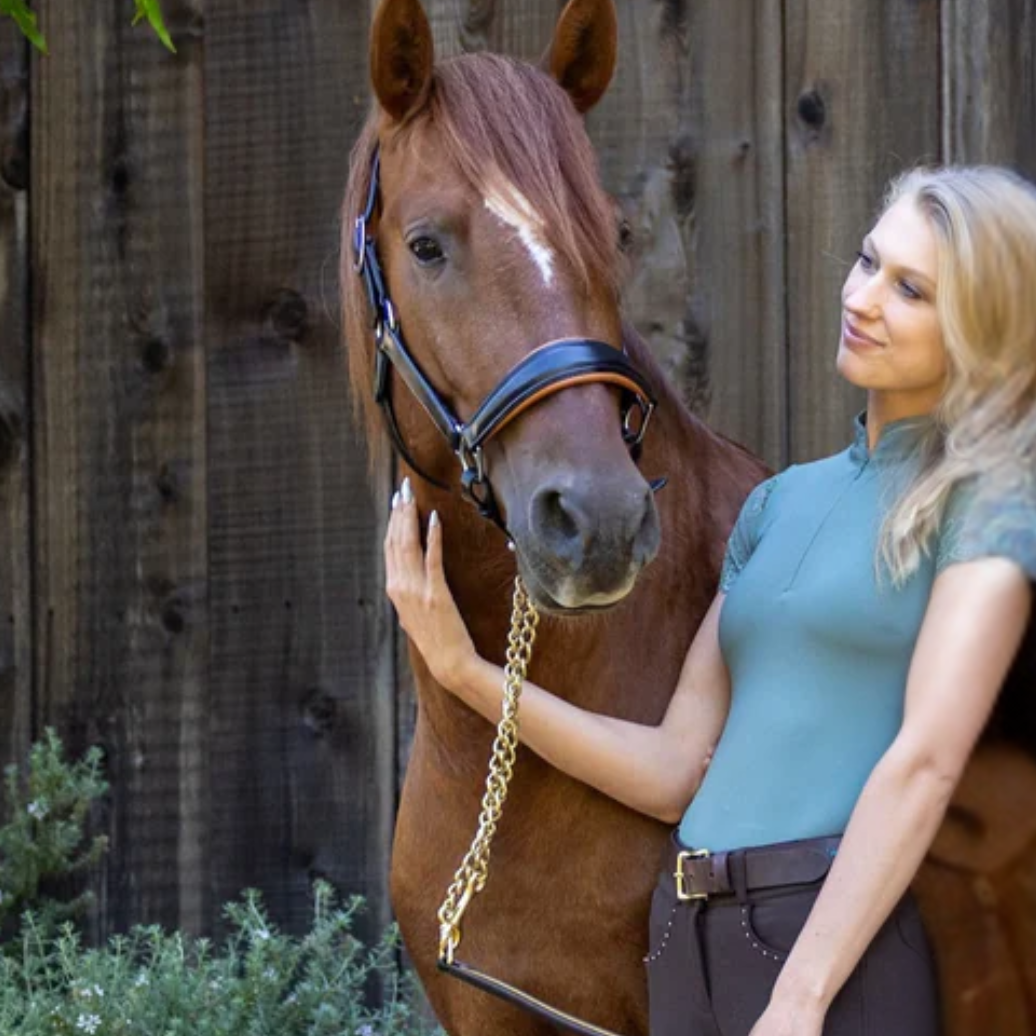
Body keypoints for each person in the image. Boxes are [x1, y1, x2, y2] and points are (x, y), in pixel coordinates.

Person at [383, 164, 1036, 1036]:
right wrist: (464, 672)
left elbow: (926, 762)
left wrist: (803, 996)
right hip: (691, 933)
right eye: (868, 261)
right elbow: (672, 770)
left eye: (911, 289)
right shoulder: (779, 503)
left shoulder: (993, 506)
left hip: (844, 943)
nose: (865, 298)